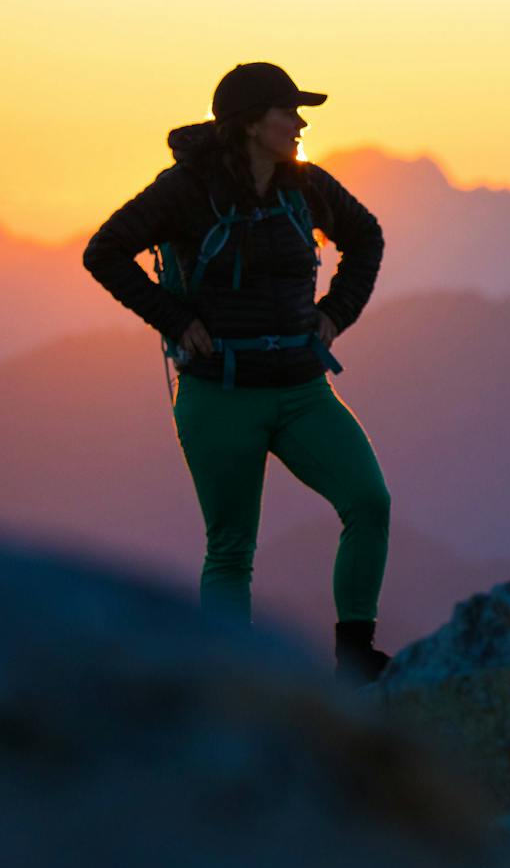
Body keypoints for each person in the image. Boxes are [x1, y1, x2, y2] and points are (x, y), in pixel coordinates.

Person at [82, 61, 392, 686]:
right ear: (252, 123)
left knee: (368, 502)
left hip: (302, 388)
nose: (301, 122)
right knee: (231, 549)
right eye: (288, 111)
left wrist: (335, 314)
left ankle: (355, 661)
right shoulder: (185, 189)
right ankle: (233, 681)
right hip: (219, 393)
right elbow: (104, 250)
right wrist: (171, 318)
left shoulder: (302, 184)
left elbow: (367, 237)